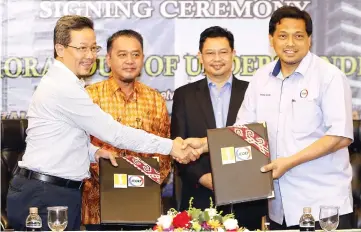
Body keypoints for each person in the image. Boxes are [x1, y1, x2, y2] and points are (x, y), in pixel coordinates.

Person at [6, 15, 199, 231]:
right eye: (81, 48)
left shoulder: (68, 83)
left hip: (52, 191)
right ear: (60, 49)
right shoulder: (63, 88)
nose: (89, 56)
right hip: (45, 195)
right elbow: (114, 133)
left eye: (92, 48)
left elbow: (63, 137)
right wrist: (171, 146)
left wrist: (94, 152)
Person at [183, 6, 354, 230]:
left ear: (309, 40)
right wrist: (204, 145)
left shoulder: (329, 77)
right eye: (283, 36)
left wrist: (289, 162)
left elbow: (340, 136)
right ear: (271, 39)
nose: (290, 43)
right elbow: (242, 132)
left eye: (298, 36)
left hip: (323, 207)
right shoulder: (261, 78)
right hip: (279, 208)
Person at [171, 26, 267, 230]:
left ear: (233, 54)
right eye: (210, 53)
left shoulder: (253, 92)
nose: (217, 58)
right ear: (200, 56)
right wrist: (203, 178)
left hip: (246, 196)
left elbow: (259, 140)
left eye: (223, 52)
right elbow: (178, 145)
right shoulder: (184, 96)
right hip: (200, 198)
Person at [82, 29, 172, 230]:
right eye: (122, 55)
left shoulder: (155, 99)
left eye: (135, 54)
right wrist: (111, 181)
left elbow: (165, 154)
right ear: (108, 59)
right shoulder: (89, 97)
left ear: (142, 59)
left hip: (143, 204)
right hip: (98, 206)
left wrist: (144, 182)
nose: (130, 60)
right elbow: (79, 146)